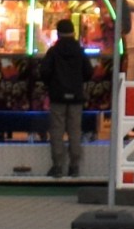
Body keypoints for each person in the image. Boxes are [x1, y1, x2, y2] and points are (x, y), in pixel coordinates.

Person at [36, 17, 94, 179]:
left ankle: (58, 166)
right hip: (76, 97)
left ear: (58, 33)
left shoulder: (53, 52)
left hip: (57, 96)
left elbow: (44, 72)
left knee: (57, 131)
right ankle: (74, 167)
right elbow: (89, 72)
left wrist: (52, 83)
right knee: (75, 131)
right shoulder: (79, 51)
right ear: (73, 32)